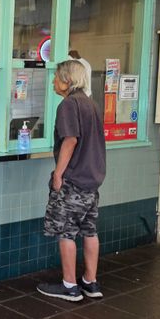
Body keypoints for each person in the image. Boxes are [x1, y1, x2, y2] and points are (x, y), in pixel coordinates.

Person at [38, 59, 106, 302]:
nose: (54, 82)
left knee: (67, 232)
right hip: (93, 180)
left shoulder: (69, 104)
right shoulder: (92, 104)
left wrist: (58, 174)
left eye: (56, 77)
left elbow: (70, 140)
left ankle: (69, 286)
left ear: (67, 81)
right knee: (89, 231)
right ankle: (90, 281)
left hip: (74, 180)